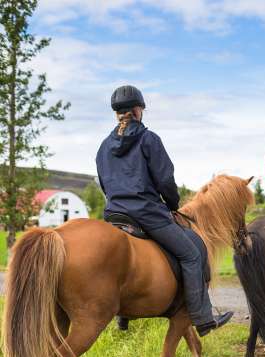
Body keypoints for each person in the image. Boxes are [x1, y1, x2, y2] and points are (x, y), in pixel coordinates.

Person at [96, 85, 233, 337]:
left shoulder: (104, 146)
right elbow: (165, 181)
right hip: (146, 214)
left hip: (114, 215)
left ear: (117, 113)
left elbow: (104, 183)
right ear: (139, 110)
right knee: (192, 253)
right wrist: (171, 206)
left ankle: (123, 316)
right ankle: (203, 318)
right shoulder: (149, 140)